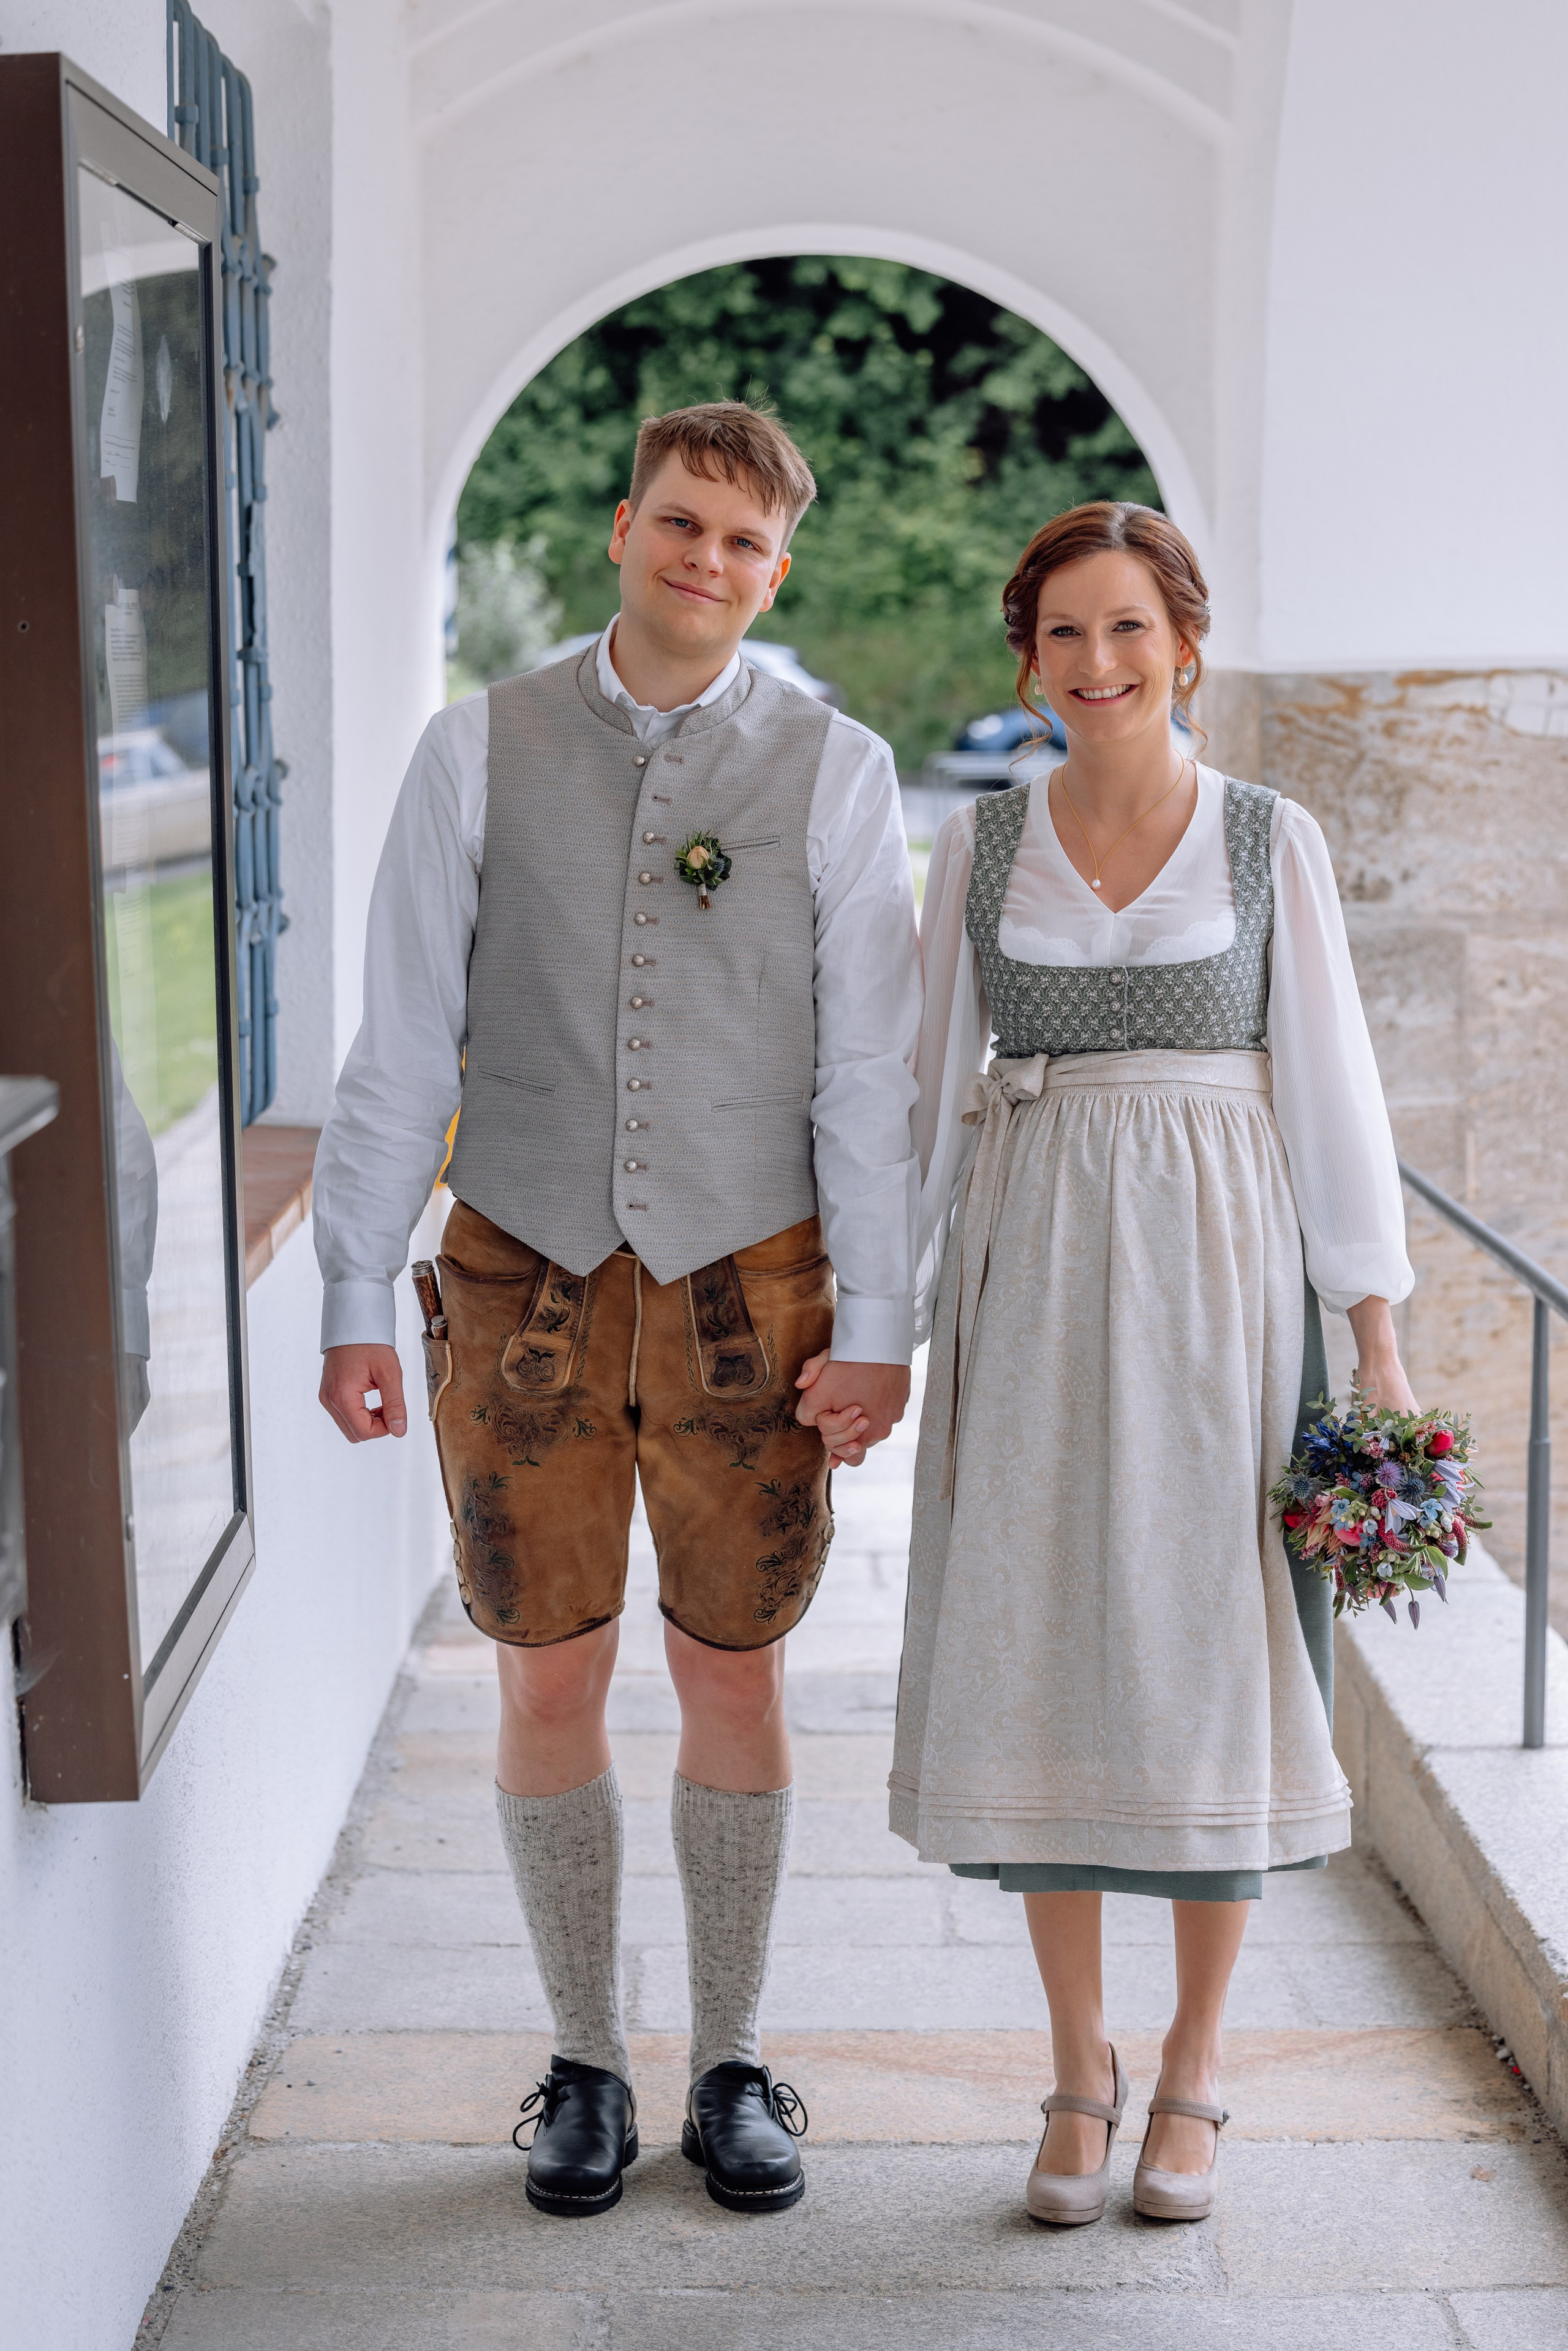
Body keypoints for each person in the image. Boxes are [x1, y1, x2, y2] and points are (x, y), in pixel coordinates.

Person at [313, 402, 921, 2217]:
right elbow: (404, 1036)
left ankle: (731, 2061)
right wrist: (356, 1281)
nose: (706, 561)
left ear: (776, 570)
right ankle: (584, 2056)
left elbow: (869, 1075)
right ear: (620, 531)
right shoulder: (475, 749)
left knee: (735, 1669)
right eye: (680, 523)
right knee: (548, 1662)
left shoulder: (840, 766)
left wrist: (879, 1316)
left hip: (760, 1290)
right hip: (521, 1289)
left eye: (742, 542)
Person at [888, 500, 1415, 2228]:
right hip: (1027, 1271)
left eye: (1129, 631)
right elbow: (909, 1110)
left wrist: (1378, 1339)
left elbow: (1334, 1097)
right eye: (1064, 636)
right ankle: (1076, 2066)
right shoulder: (974, 851)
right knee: (1039, 1643)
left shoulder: (1271, 840)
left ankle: (1194, 2071)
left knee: (1206, 1662)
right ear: (1026, 661)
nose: (1098, 666)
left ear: (1186, 644)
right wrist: (877, 1331)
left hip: (1219, 1284)